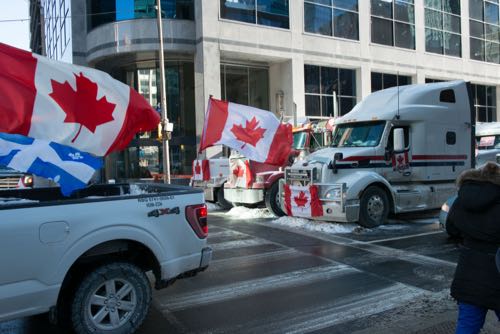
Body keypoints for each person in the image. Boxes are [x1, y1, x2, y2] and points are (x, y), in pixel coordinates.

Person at [446, 161, 500, 334]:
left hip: (468, 274)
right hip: (496, 273)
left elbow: (452, 227)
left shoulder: (462, 198)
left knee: (467, 326)